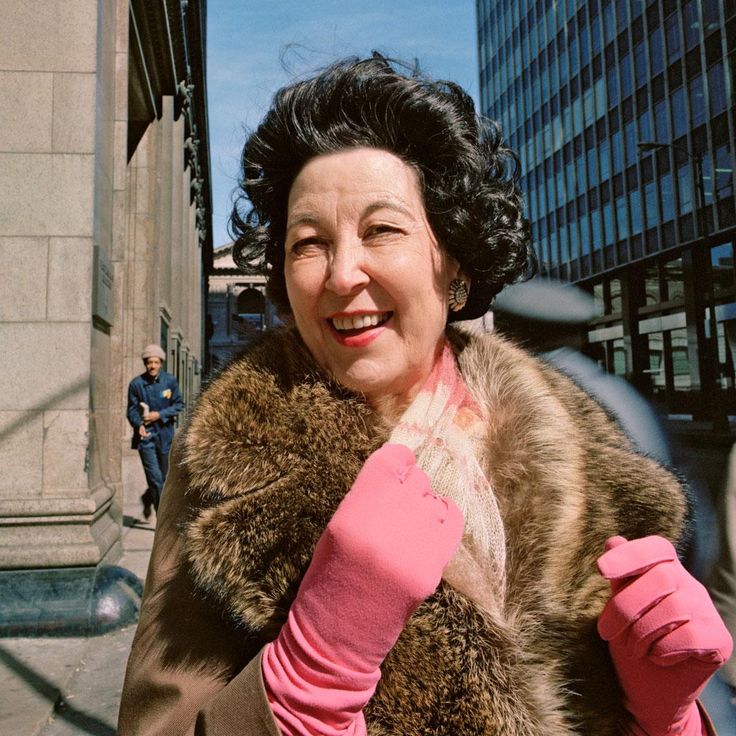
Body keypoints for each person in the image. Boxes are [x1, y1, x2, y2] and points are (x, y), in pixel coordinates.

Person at [118, 56, 731, 735]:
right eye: (309, 242)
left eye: (382, 230)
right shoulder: (227, 460)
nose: (343, 273)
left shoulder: (585, 446)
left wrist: (671, 715)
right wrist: (308, 679)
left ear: (455, 261)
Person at [126, 344, 184, 518]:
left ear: (161, 363)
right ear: (145, 363)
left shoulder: (170, 382)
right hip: (146, 438)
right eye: (149, 362)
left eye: (156, 362)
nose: (152, 366)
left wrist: (159, 415)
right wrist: (139, 424)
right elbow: (131, 410)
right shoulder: (136, 384)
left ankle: (147, 498)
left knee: (165, 480)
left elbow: (179, 405)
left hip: (165, 436)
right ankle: (162, 520)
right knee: (156, 479)